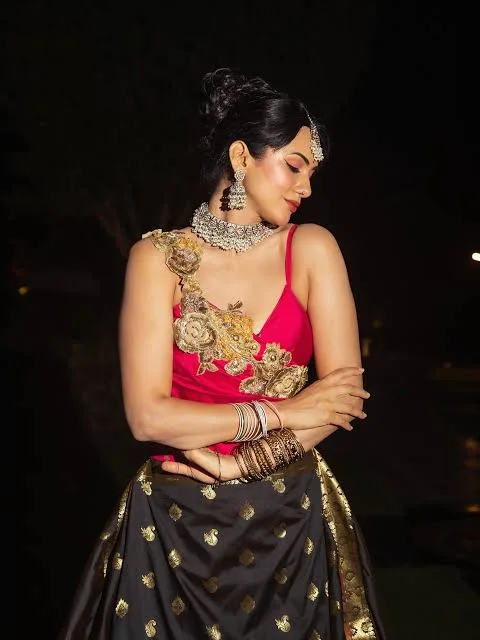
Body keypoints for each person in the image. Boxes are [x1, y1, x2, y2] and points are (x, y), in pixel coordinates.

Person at [59, 67, 386, 639]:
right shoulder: (157, 260)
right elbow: (148, 417)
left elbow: (345, 395)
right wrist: (286, 410)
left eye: (312, 173)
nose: (306, 188)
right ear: (240, 156)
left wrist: (242, 463)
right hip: (173, 525)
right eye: (294, 166)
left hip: (291, 518)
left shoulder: (312, 249)